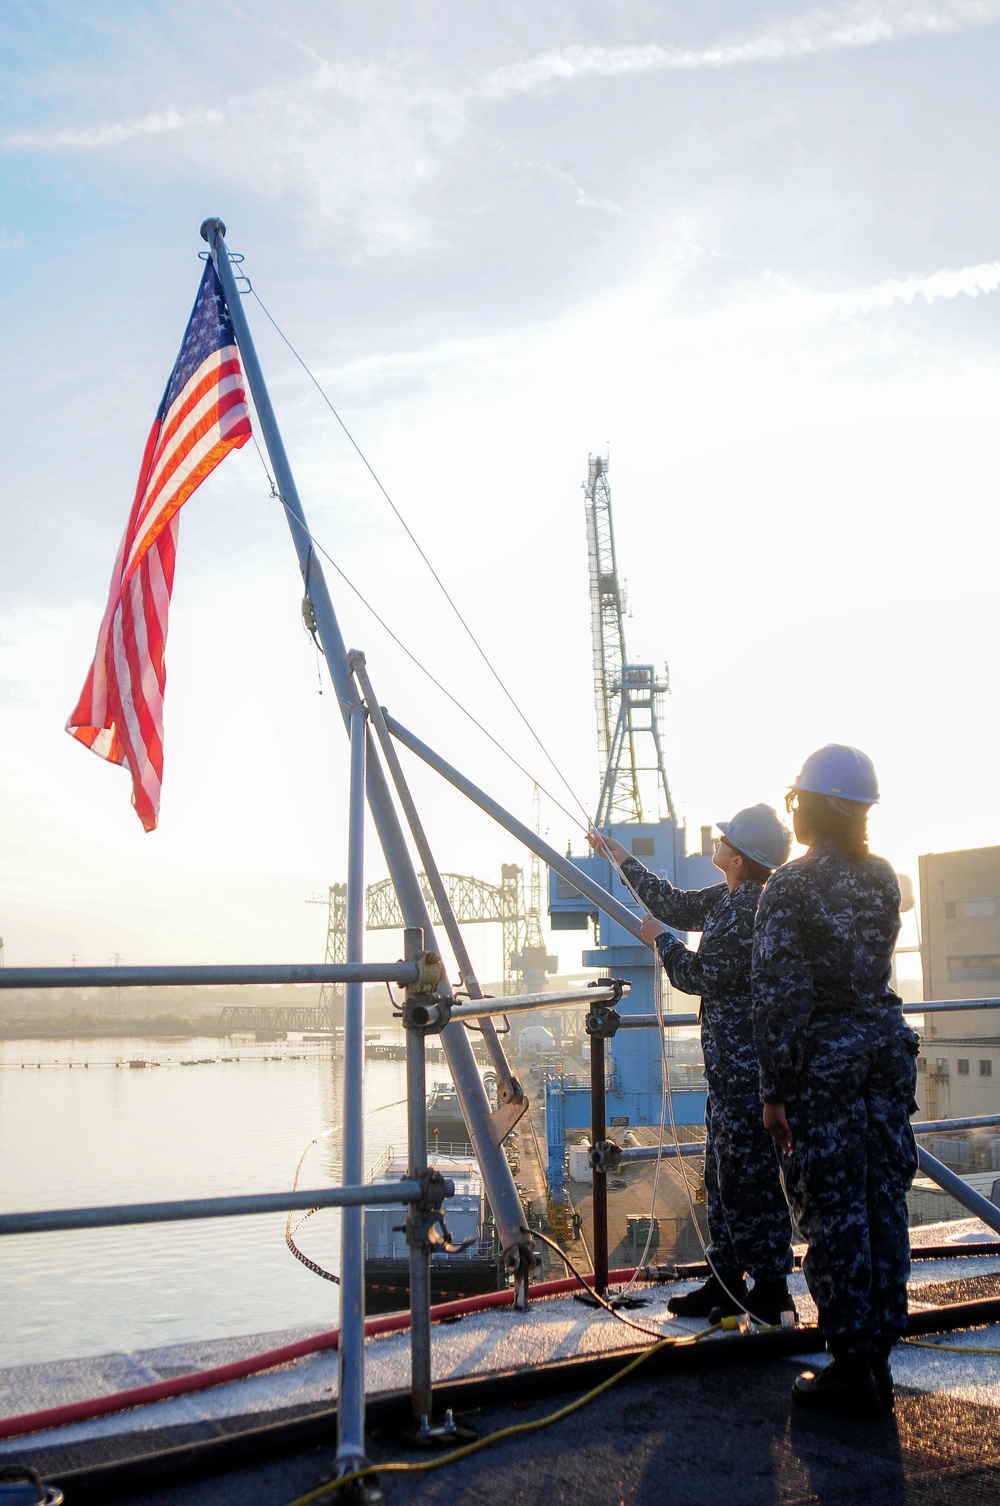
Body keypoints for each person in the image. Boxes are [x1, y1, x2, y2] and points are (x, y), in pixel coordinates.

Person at [752, 744, 919, 1418]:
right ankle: (876, 1355)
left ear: (812, 805)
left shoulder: (788, 886)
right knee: (884, 1200)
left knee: (834, 1207)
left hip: (823, 1065)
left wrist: (774, 1090)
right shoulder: (882, 877)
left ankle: (851, 1364)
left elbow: (778, 995)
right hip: (883, 1052)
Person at [588, 805, 794, 1325]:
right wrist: (624, 861)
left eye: (727, 838)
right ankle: (724, 1281)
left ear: (741, 860)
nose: (718, 839)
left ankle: (771, 1289)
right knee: (722, 1177)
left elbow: (699, 975)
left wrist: (660, 940)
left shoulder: (748, 912)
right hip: (729, 1073)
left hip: (748, 1076)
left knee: (751, 1180)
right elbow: (674, 903)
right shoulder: (729, 898)